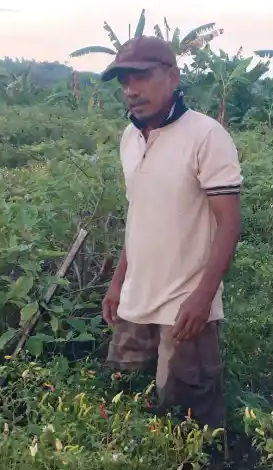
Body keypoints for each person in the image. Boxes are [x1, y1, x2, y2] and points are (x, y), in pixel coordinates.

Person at [101, 35, 242, 437]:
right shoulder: (130, 138)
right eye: (124, 80)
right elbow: (139, 216)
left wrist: (203, 297)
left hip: (184, 307)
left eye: (142, 77)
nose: (131, 89)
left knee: (188, 424)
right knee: (122, 405)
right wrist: (118, 283)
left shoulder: (206, 135)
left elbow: (229, 223)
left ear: (173, 77)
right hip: (135, 301)